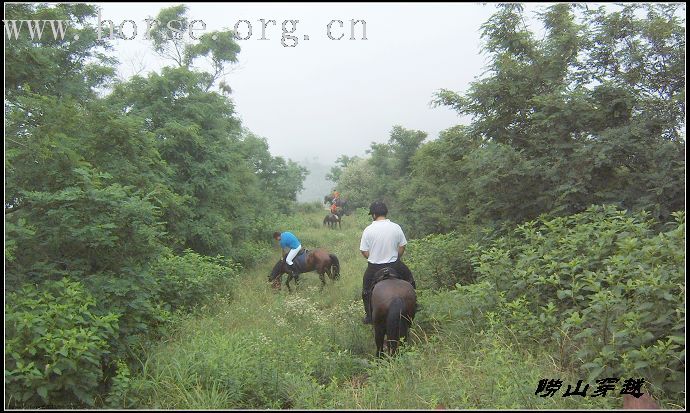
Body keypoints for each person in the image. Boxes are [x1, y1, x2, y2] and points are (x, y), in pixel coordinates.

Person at [359, 201, 416, 324]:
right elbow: (402, 247)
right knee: (410, 281)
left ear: (373, 215)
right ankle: (415, 305)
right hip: (394, 265)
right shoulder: (396, 227)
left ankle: (369, 316)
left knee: (366, 291)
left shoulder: (368, 230)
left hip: (374, 267)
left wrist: (374, 256)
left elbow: (363, 251)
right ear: (385, 213)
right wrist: (396, 256)